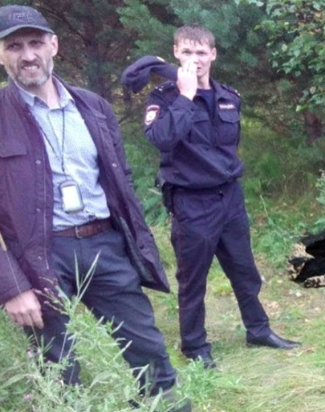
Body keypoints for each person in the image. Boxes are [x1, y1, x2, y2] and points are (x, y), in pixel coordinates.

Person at [0, 5, 190, 411]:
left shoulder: (93, 107)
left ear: (54, 45)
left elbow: (120, 181)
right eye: (14, 46)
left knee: (147, 347)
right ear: (1, 55)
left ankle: (164, 404)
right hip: (39, 254)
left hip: (104, 242)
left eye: (35, 43)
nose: (28, 55)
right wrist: (11, 285)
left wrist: (133, 243)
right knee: (57, 365)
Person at [143, 25, 300, 369]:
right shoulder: (164, 98)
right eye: (187, 52)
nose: (195, 59)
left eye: (201, 52)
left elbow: (228, 148)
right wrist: (186, 97)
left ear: (213, 55)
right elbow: (161, 139)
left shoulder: (229, 96)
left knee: (244, 271)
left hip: (229, 197)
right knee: (193, 279)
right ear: (175, 53)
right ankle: (194, 346)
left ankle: (258, 330)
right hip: (192, 201)